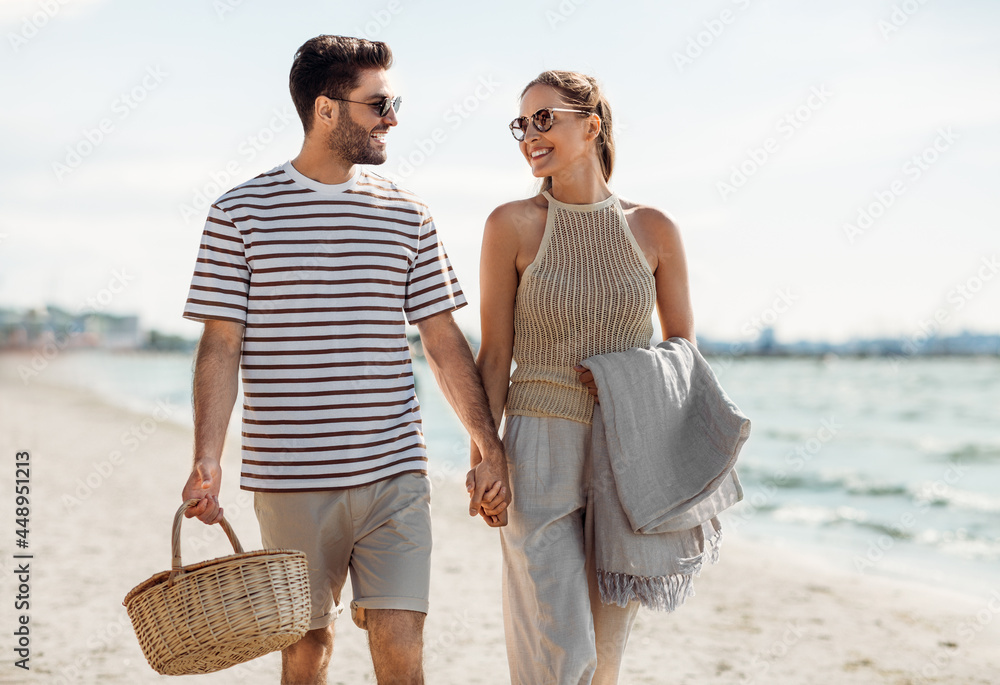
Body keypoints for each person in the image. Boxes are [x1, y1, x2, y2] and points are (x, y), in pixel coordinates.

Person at [179, 35, 509, 685]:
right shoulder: (238, 213)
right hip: (289, 477)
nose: (393, 118)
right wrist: (207, 457)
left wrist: (487, 446)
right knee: (306, 649)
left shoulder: (409, 213)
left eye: (395, 103)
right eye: (379, 104)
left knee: (402, 648)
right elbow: (221, 344)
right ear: (326, 109)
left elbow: (443, 340)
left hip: (396, 473)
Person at [469, 70, 696, 684]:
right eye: (522, 124)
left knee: (605, 658)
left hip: (628, 455)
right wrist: (486, 454)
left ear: (591, 126)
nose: (529, 135)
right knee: (562, 652)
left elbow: (684, 351)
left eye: (544, 119)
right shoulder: (510, 225)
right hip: (537, 447)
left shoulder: (653, 228)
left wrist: (626, 375)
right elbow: (495, 355)